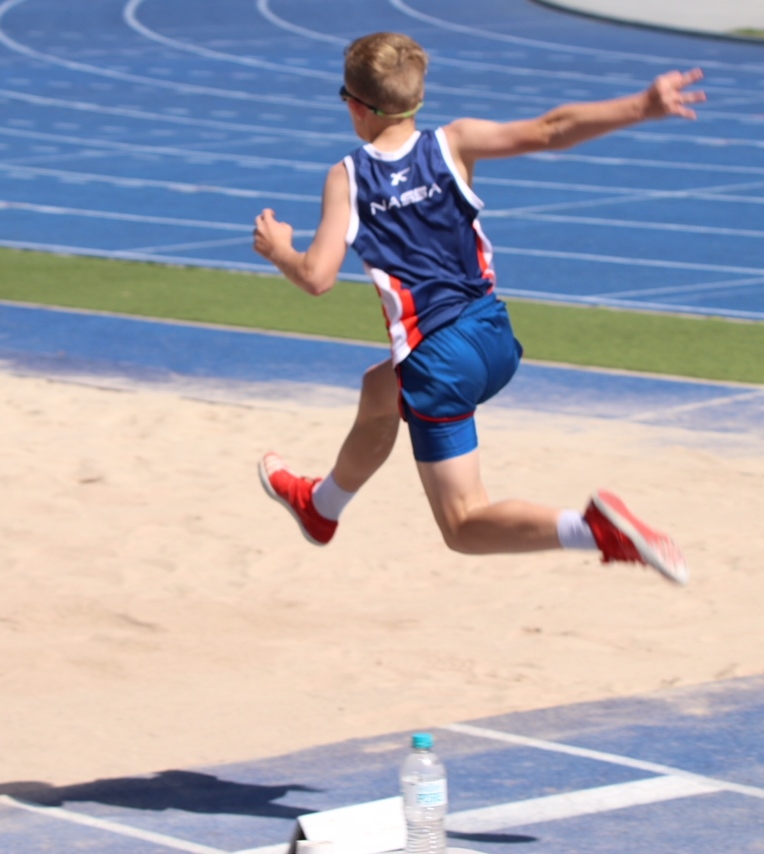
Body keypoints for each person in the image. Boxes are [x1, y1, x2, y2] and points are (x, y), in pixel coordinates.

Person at [253, 33, 703, 584]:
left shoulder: (348, 178)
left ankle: (595, 531)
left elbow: (317, 278)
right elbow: (550, 129)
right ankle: (321, 507)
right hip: (492, 334)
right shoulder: (454, 142)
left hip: (439, 362)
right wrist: (642, 105)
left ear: (354, 105)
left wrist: (280, 251)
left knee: (463, 525)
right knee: (380, 392)